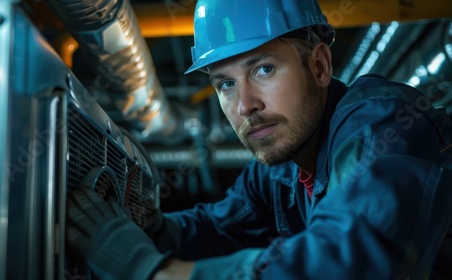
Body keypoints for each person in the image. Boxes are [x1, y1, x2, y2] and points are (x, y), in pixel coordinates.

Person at [65, 0, 452, 279]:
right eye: (226, 83)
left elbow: (351, 263)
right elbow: (220, 228)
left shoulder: (384, 125)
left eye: (264, 69)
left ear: (319, 66)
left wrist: (151, 270)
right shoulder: (281, 166)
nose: (244, 105)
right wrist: (151, 227)